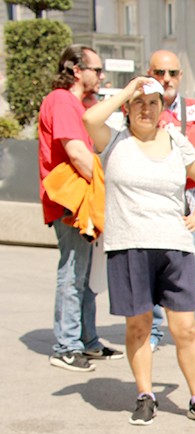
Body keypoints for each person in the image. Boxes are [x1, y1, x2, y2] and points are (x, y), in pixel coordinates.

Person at [81, 76, 195, 427]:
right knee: (139, 326)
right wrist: (129, 90)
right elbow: (89, 120)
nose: (146, 109)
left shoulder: (176, 141)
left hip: (174, 246)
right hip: (128, 245)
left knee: (185, 328)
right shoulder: (114, 141)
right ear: (128, 109)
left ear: (162, 109)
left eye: (154, 103)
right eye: (139, 103)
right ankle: (145, 395)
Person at [39, 44, 124, 372]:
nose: (101, 76)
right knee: (74, 272)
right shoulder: (61, 100)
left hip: (82, 201)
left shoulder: (75, 103)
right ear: (77, 70)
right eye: (97, 70)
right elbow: (76, 153)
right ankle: (66, 345)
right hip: (70, 202)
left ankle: (86, 341)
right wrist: (113, 185)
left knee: (87, 275)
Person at [146, 50, 195, 357]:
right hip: (152, 200)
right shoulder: (141, 111)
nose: (166, 79)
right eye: (160, 73)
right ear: (150, 74)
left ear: (180, 76)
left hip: (187, 200)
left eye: (172, 73)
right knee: (149, 268)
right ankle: (151, 329)